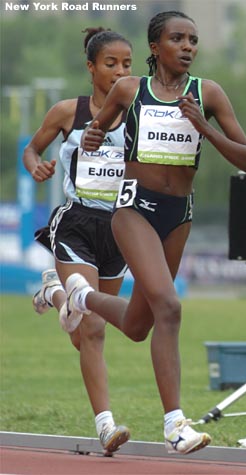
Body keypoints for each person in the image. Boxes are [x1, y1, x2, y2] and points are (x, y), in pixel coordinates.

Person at [62, 10, 246, 455]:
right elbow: (97, 127)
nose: (188, 47)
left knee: (137, 324)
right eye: (177, 39)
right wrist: (92, 137)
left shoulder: (207, 93)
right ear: (155, 47)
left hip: (178, 215)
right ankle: (175, 425)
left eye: (193, 39)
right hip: (133, 210)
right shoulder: (131, 89)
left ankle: (81, 298)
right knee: (169, 305)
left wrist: (203, 126)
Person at [22, 27, 133, 455]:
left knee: (83, 333)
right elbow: (32, 149)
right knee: (95, 328)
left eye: (126, 64)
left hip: (121, 230)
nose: (119, 71)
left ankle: (53, 292)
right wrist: (37, 166)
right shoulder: (68, 112)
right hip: (77, 223)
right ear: (91, 67)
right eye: (110, 64)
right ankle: (106, 426)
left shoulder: (140, 115)